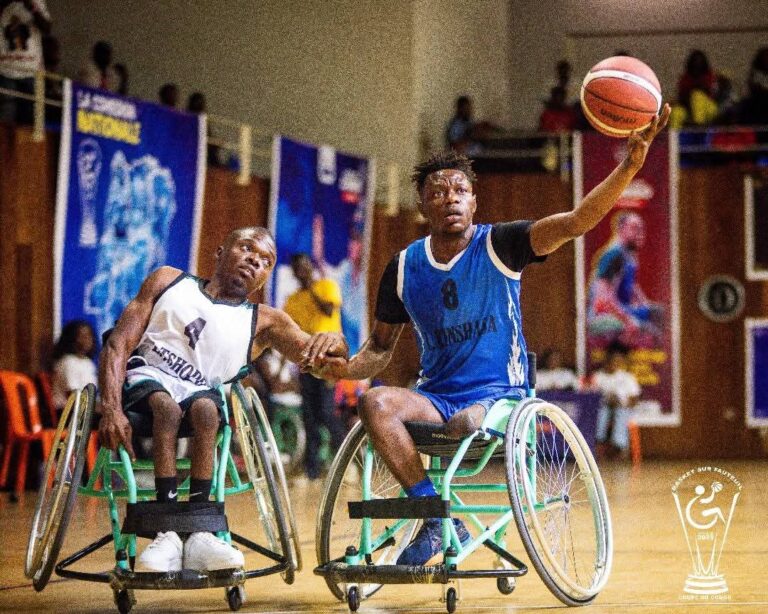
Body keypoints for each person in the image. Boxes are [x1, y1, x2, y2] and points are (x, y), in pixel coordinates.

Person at [317, 103, 670, 566]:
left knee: (464, 423)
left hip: (501, 395)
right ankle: (437, 519)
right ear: (422, 205)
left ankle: (434, 521)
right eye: (438, 192)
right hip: (436, 395)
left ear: (474, 202)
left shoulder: (500, 245)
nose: (451, 198)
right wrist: (338, 367)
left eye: (461, 190)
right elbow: (379, 350)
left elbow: (579, 221)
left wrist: (629, 165)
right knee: (374, 403)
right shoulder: (404, 267)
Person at [98, 227, 347, 573]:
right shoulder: (168, 281)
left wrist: (337, 344)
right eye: (246, 249)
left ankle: (201, 531)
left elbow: (325, 362)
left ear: (264, 279)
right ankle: (167, 529)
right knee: (167, 408)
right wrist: (110, 407)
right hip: (148, 381)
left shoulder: (263, 321)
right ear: (220, 250)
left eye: (265, 261)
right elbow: (118, 344)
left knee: (206, 409)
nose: (254, 261)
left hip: (200, 393)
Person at [282, 253, 347, 482]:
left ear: (311, 267)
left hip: (328, 361)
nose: (303, 271)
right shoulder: (292, 301)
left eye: (306, 267)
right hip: (306, 363)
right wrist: (282, 370)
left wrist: (312, 288)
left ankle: (348, 463)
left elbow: (329, 311)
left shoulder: (327, 287)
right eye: (298, 269)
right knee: (310, 417)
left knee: (327, 413)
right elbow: (287, 336)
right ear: (294, 272)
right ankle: (312, 471)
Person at [587, 211, 663, 348]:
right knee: (650, 328)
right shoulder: (613, 255)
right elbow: (602, 300)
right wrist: (628, 320)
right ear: (621, 229)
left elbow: (632, 287)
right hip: (603, 316)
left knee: (657, 312)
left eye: (642, 229)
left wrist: (645, 305)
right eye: (635, 228)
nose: (640, 233)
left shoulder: (629, 256)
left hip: (622, 310)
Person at [0, 0, 51, 125]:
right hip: (5, 71)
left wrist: (31, 7)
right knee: (5, 120)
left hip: (32, 72)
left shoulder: (37, 2)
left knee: (32, 123)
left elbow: (47, 28)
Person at [591, 342, 640, 460]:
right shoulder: (597, 377)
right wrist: (608, 400)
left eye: (619, 360)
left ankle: (620, 447)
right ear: (607, 360)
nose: (615, 363)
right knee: (602, 412)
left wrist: (620, 403)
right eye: (613, 360)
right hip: (603, 408)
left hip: (623, 409)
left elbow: (634, 400)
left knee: (621, 412)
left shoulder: (628, 377)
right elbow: (590, 398)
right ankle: (598, 443)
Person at [51, 319, 98, 414]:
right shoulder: (68, 362)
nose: (87, 340)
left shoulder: (88, 363)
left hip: (83, 410)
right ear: (71, 338)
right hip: (67, 412)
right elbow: (73, 396)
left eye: (89, 335)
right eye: (82, 336)